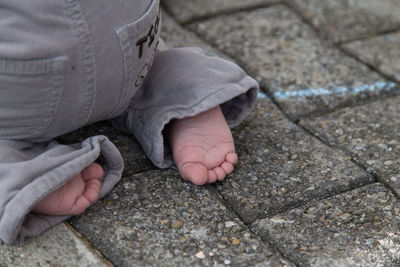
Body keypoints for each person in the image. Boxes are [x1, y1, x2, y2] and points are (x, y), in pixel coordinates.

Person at [0, 0, 258, 244]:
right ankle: (179, 91)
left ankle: (26, 175)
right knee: (129, 55)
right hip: (133, 38)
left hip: (31, 80)